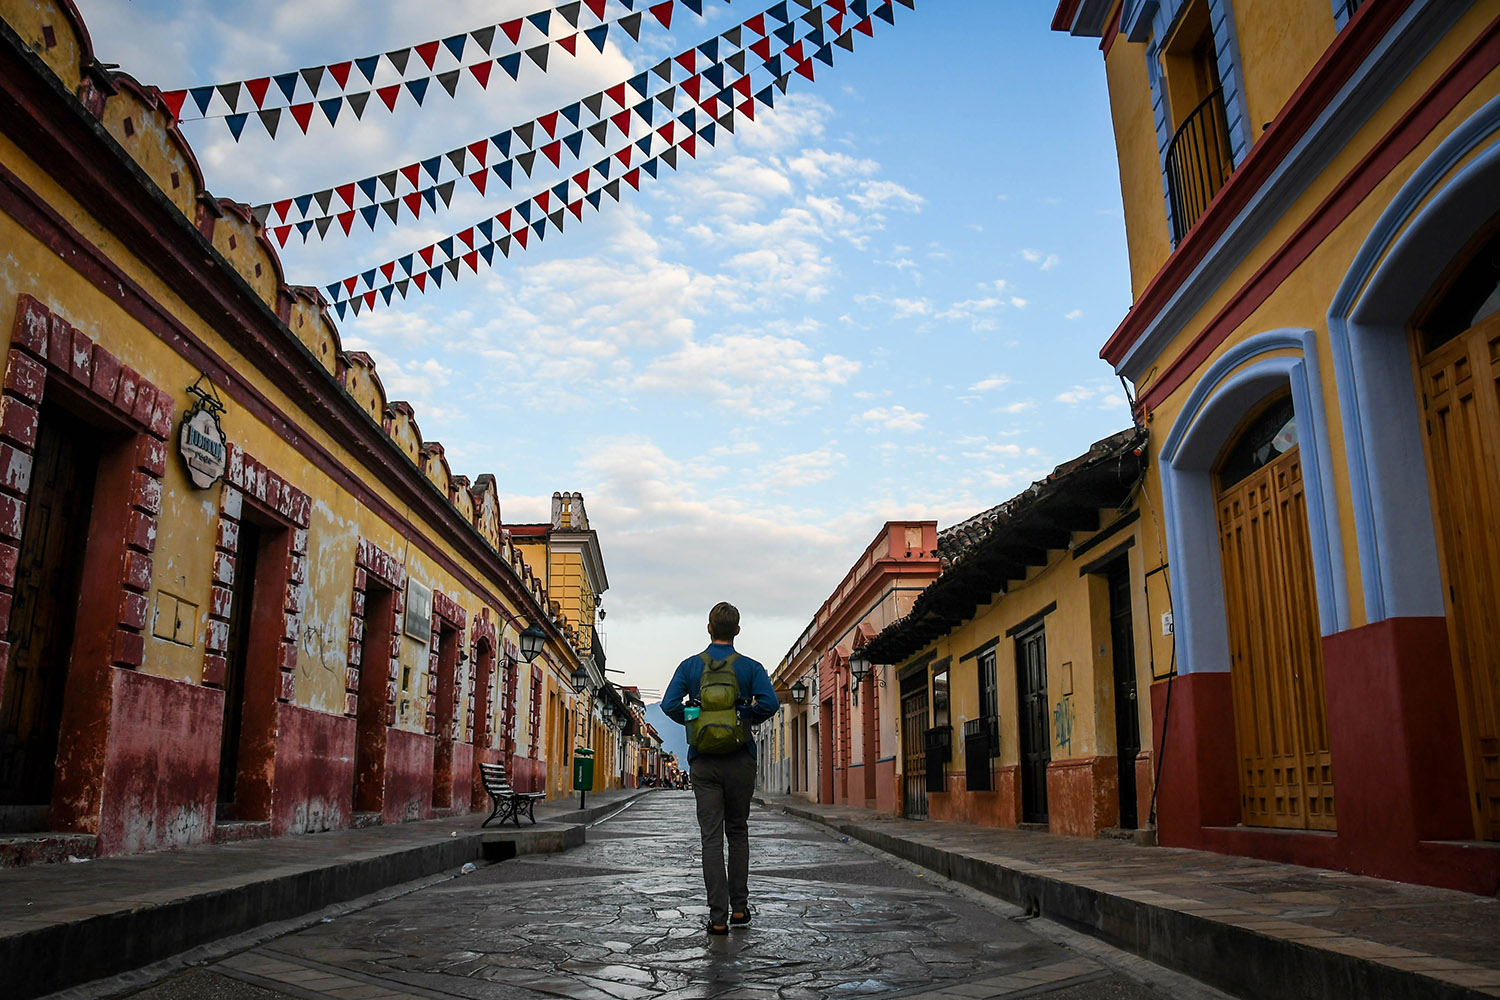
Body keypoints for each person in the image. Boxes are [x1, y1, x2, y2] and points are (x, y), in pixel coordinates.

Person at [663, 602, 779, 935]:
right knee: (738, 832)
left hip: (704, 762)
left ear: (709, 629)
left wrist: (694, 721)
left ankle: (717, 917)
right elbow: (770, 703)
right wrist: (745, 718)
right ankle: (740, 910)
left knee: (711, 838)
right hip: (741, 758)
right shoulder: (750, 668)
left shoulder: (690, 667)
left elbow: (671, 704)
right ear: (737, 630)